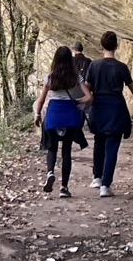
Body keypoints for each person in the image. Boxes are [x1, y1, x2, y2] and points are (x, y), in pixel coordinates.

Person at [84, 31, 133, 198]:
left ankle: (97, 177)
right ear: (116, 46)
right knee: (112, 147)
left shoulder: (94, 65)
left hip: (98, 108)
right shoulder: (121, 67)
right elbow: (132, 88)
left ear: (101, 46)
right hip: (116, 109)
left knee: (99, 142)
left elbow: (87, 87)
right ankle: (106, 185)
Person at [33, 46, 92, 198]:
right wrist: (76, 101)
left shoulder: (49, 78)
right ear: (69, 60)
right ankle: (64, 188)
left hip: (53, 114)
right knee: (66, 151)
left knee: (52, 148)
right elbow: (88, 97)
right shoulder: (76, 77)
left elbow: (41, 100)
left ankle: (50, 172)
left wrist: (37, 115)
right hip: (69, 115)